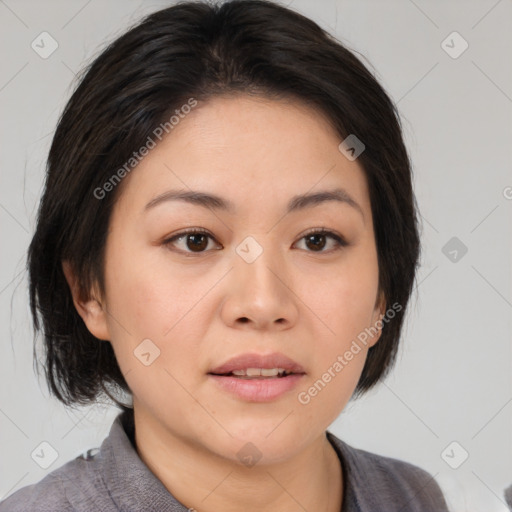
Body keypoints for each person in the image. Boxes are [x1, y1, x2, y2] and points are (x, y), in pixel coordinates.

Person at [0, 1, 450, 510]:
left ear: (381, 292)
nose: (262, 303)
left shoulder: (414, 499)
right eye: (195, 240)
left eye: (317, 239)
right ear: (89, 289)